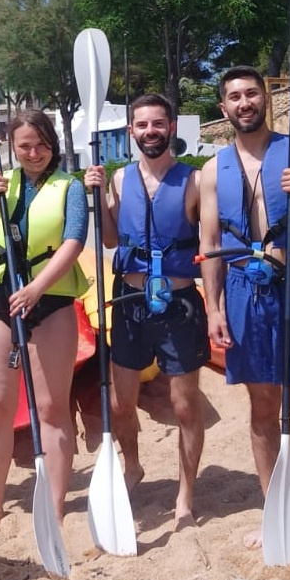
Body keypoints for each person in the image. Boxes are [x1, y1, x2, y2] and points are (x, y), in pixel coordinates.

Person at [199, 65, 290, 552]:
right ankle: (274, 510)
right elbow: (211, 242)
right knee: (262, 406)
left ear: (268, 98)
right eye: (235, 97)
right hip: (242, 287)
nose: (245, 103)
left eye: (252, 94)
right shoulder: (211, 169)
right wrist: (214, 308)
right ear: (224, 108)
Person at [0, 109, 90, 530]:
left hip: (49, 303)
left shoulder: (72, 187)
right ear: (12, 148)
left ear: (53, 145)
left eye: (41, 144)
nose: (33, 153)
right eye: (24, 146)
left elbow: (73, 241)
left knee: (51, 407)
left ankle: (55, 505)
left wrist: (38, 287)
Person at [83, 93, 209, 526]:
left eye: (158, 124)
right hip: (131, 302)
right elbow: (112, 239)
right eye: (142, 125)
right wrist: (97, 195)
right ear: (131, 131)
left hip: (179, 303)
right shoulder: (119, 180)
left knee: (185, 404)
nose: (150, 132)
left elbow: (208, 246)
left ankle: (185, 495)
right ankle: (132, 465)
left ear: (171, 128)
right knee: (121, 402)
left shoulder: (194, 181)